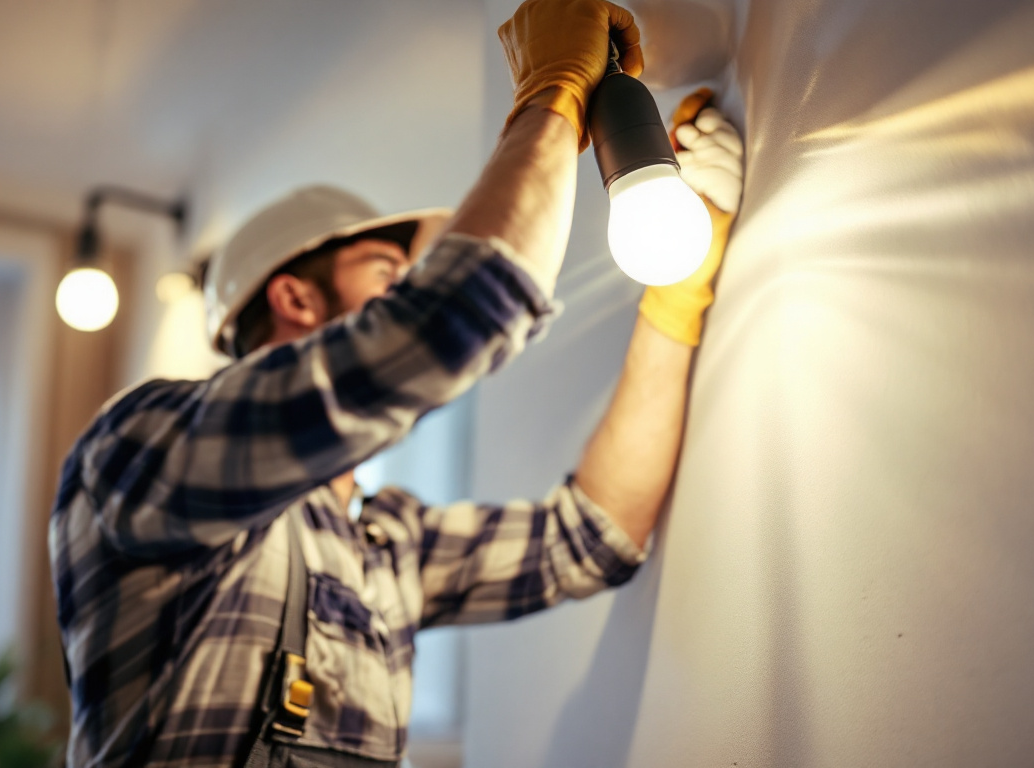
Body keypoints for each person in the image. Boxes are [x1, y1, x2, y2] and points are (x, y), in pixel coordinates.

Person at [49, 1, 744, 766]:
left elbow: (592, 538)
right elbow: (447, 321)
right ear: (294, 297)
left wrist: (677, 300)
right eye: (388, 273)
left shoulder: (386, 543)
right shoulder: (143, 447)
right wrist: (549, 94)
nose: (410, 286)